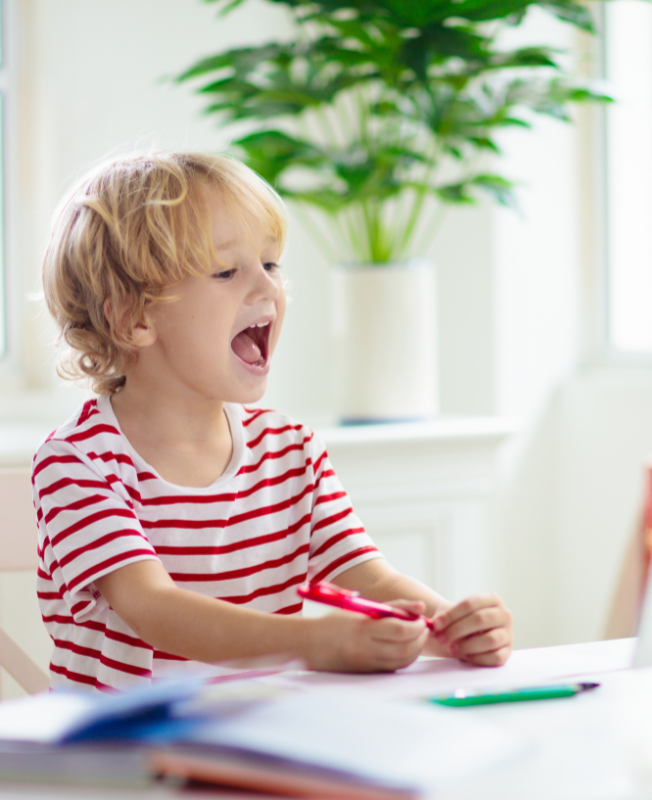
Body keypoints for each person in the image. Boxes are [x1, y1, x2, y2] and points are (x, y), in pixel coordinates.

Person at [34, 152, 513, 690]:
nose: (267, 289)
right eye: (226, 271)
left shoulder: (290, 451)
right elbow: (157, 611)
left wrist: (448, 627)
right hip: (120, 761)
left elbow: (370, 577)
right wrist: (316, 643)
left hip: (259, 744)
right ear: (134, 316)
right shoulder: (77, 464)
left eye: (271, 264)